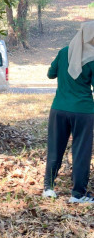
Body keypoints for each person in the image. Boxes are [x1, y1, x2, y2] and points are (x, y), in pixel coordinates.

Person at [42, 21, 94, 203]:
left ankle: (48, 188)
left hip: (59, 110)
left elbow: (50, 74)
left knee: (55, 148)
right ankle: (78, 194)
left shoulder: (64, 52)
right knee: (81, 151)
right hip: (83, 111)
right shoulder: (92, 57)